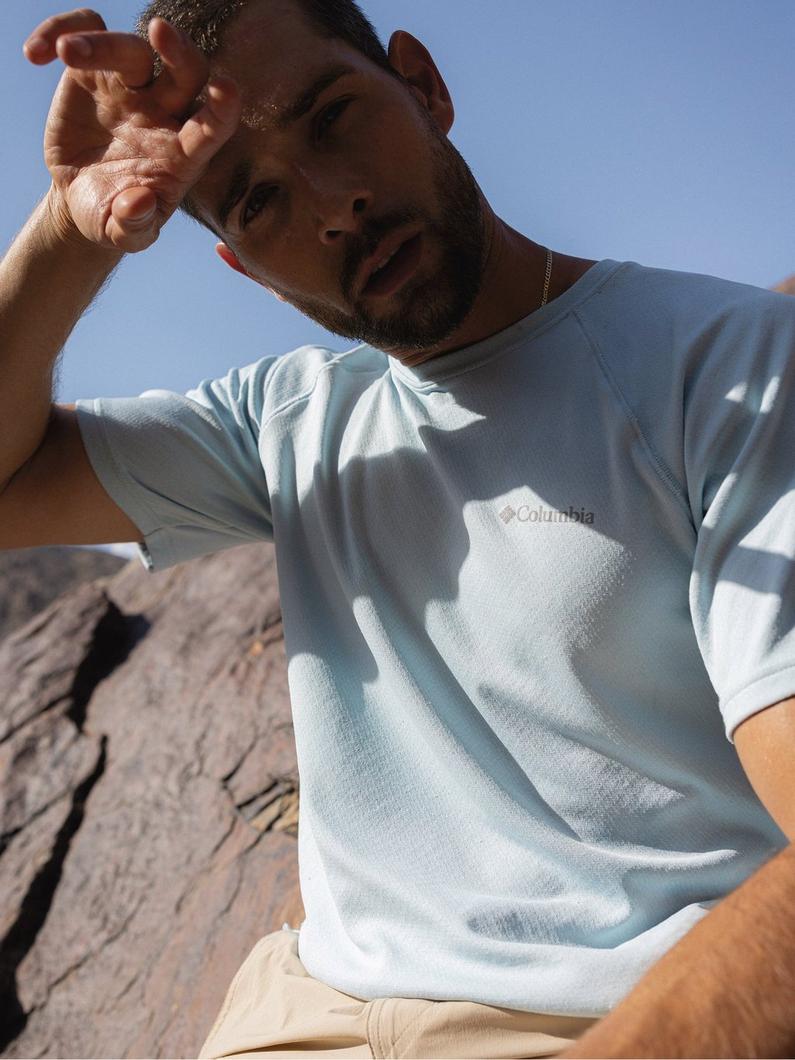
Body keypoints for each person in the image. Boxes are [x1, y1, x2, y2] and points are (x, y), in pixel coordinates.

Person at [3, 1, 795, 1057]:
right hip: (300, 1014)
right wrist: (65, 231)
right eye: (256, 201)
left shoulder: (725, 367)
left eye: (331, 118)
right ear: (241, 263)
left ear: (422, 84)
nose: (334, 207)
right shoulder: (287, 421)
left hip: (604, 1019)